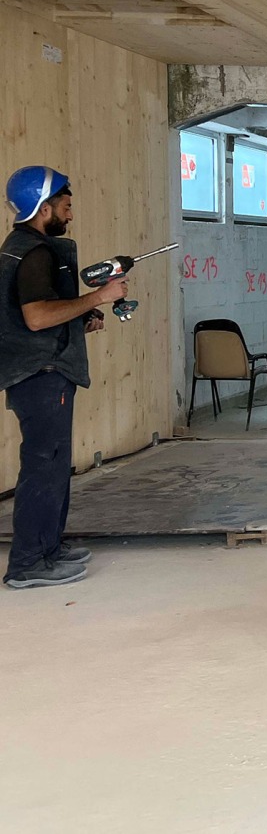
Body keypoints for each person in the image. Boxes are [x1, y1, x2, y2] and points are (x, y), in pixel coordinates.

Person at [1, 166, 127, 589]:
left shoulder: (27, 248)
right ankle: (27, 565)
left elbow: (42, 311)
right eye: (66, 207)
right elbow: (36, 318)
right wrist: (99, 297)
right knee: (42, 467)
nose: (70, 215)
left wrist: (81, 316)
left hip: (42, 369)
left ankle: (49, 549)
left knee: (54, 466)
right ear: (44, 206)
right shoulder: (33, 252)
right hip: (40, 373)